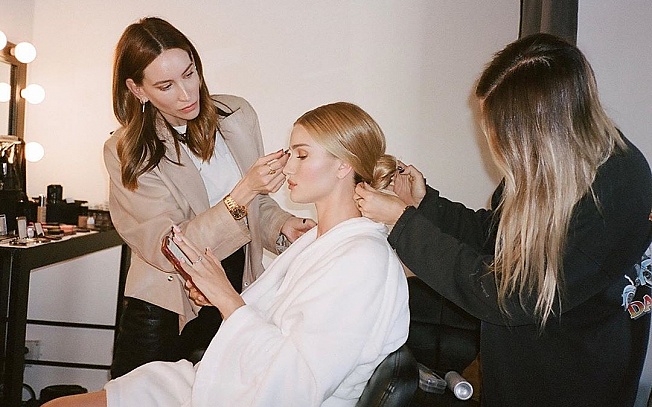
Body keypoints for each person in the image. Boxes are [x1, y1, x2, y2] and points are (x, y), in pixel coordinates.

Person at [44, 102, 410, 407]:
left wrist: (225, 296)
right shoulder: (319, 240)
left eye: (301, 155)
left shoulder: (361, 260)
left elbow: (295, 386)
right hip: (226, 381)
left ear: (344, 165)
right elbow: (271, 323)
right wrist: (214, 295)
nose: (288, 166)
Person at [355, 33, 652, 406]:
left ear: (539, 131)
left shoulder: (616, 190)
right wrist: (427, 204)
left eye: (500, 134)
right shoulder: (547, 167)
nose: (494, 145)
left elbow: (511, 295)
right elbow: (497, 236)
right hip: (516, 376)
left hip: (572, 386)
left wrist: (405, 225)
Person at [104, 17, 314, 378]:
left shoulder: (236, 115)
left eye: (190, 74)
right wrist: (244, 190)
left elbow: (255, 207)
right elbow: (172, 247)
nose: (187, 94)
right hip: (167, 307)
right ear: (138, 90)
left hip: (234, 289)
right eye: (166, 86)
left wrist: (283, 225)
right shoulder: (127, 151)